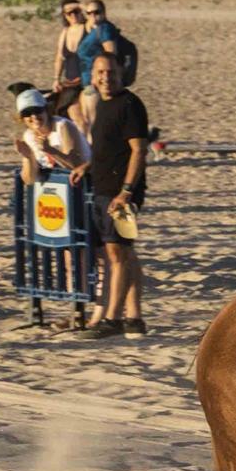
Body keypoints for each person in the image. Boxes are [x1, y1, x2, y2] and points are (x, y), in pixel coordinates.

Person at [87, 51, 148, 338]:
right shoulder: (102, 103)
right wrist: (86, 166)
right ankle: (134, 317)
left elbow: (138, 149)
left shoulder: (130, 105)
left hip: (121, 193)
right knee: (125, 252)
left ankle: (112, 318)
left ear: (120, 73)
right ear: (93, 75)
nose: (106, 78)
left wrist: (126, 192)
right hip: (102, 188)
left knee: (117, 252)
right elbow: (108, 148)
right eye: (101, 72)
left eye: (110, 72)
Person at [14, 87, 88, 183]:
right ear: (22, 118)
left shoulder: (62, 126)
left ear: (46, 110)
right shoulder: (28, 136)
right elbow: (29, 180)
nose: (34, 116)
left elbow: (77, 166)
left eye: (37, 110)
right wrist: (28, 157)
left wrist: (49, 150)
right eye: (27, 113)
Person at [52, 0, 86, 96]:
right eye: (69, 13)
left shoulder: (89, 28)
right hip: (69, 83)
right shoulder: (65, 32)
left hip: (87, 82)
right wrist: (56, 79)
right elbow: (59, 58)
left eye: (76, 11)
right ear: (64, 15)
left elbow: (91, 9)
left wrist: (79, 4)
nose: (73, 15)